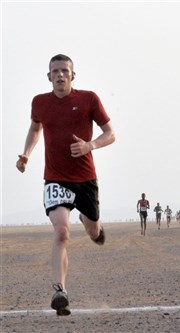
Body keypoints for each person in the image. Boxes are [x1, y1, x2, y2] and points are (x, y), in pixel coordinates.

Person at [15, 54, 116, 316]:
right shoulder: (39, 102)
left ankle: (90, 222)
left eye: (64, 71)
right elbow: (35, 128)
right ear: (49, 76)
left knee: (94, 232)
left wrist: (89, 145)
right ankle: (60, 290)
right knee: (61, 232)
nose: (60, 75)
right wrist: (26, 153)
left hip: (85, 178)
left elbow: (111, 133)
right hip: (56, 177)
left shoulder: (88, 99)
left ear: (73, 75)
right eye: (55, 71)